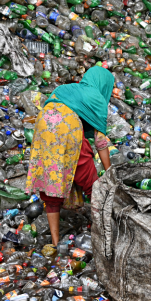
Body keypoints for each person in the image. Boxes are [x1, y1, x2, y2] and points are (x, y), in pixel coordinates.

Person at [26, 66, 114, 246]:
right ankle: (105, 231)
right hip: (67, 127)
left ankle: (55, 242)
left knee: (52, 173)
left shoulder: (66, 88)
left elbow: (49, 105)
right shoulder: (96, 98)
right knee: (91, 180)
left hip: (44, 127)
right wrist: (110, 171)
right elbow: (101, 142)